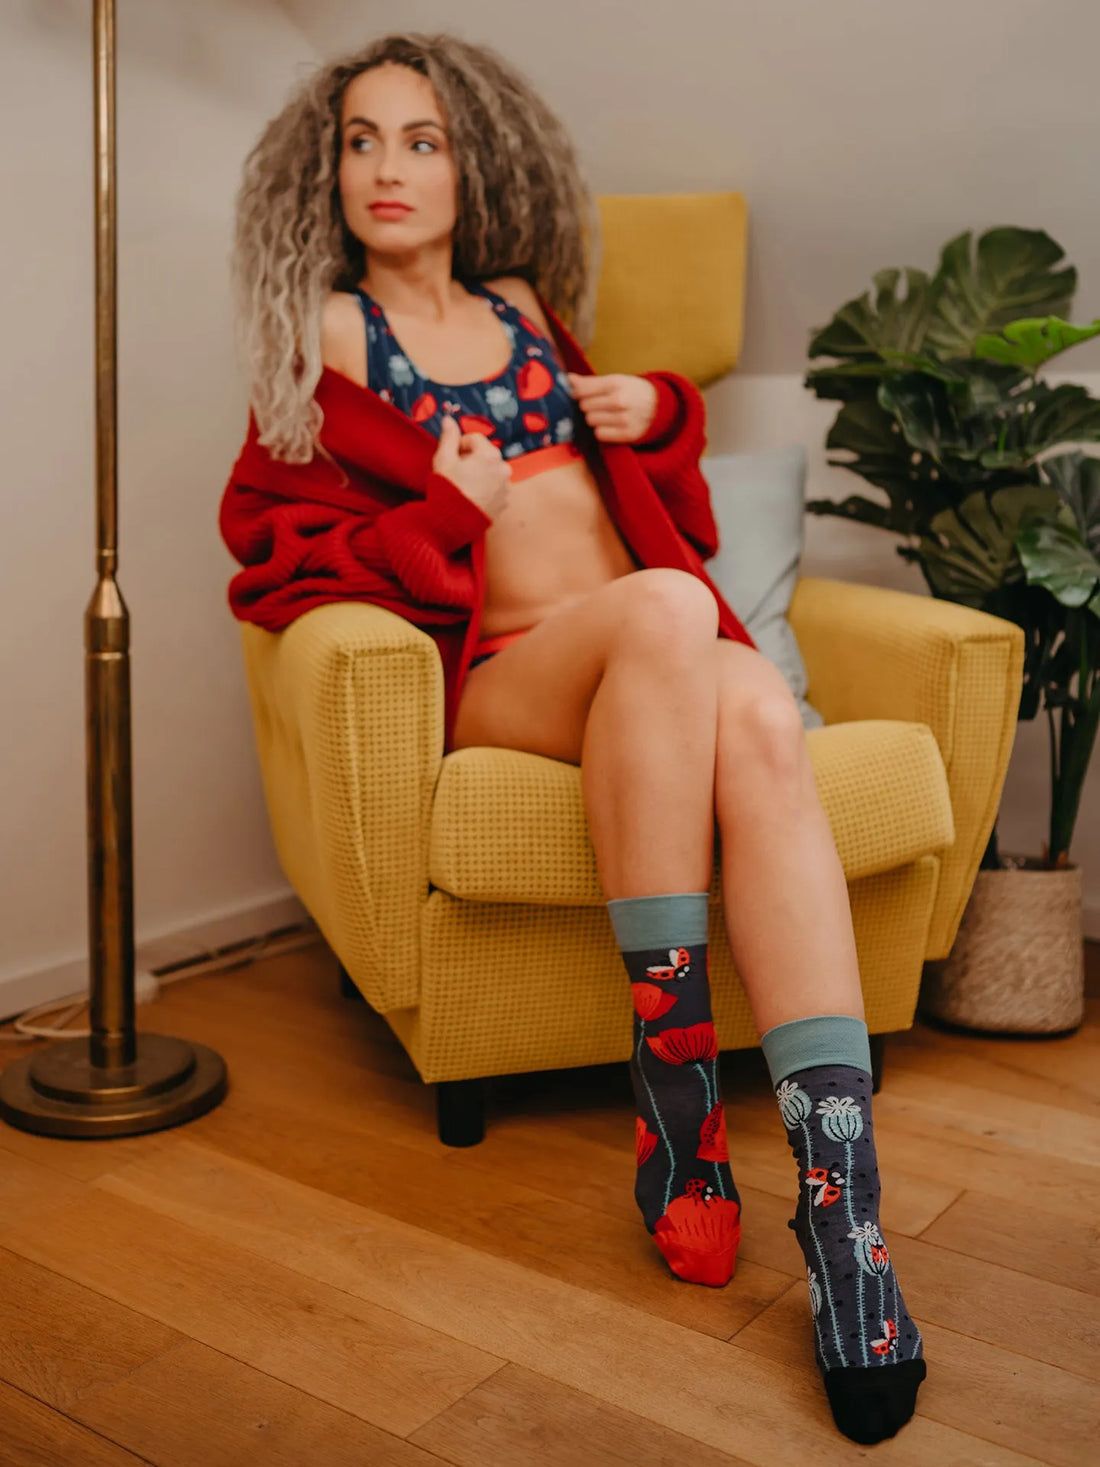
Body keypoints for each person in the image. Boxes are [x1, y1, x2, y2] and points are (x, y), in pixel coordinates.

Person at [218, 32, 926, 1446]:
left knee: (755, 716)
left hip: (646, 665)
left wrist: (658, 410)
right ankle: (681, 1102)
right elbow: (273, 554)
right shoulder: (336, 335)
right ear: (326, 171)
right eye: (361, 140)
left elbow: (652, 493)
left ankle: (841, 1222)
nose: (388, 168)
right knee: (673, 610)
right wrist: (449, 512)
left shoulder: (526, 307)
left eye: (422, 139)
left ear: (474, 164)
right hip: (505, 676)